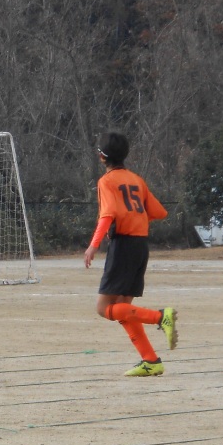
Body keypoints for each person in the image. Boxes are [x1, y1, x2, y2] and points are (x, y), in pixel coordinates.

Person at [83, 132, 178, 375]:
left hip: (123, 246)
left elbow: (107, 215)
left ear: (102, 157)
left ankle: (161, 317)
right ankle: (151, 361)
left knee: (104, 308)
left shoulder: (107, 181)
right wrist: (136, 218)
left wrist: (94, 245)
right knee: (124, 309)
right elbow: (159, 212)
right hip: (140, 246)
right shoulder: (136, 179)